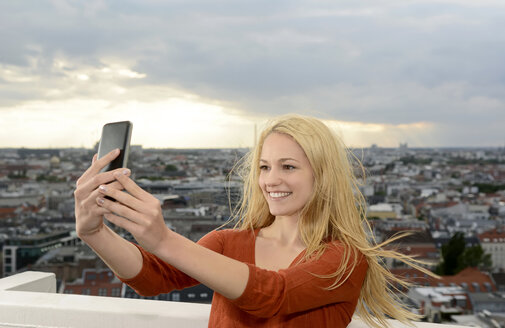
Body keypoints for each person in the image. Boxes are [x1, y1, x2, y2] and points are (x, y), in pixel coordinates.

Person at [74, 114, 431, 327]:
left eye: (288, 167)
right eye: (264, 167)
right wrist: (94, 232)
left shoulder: (344, 260)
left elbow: (273, 295)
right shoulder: (228, 242)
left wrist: (164, 239)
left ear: (323, 176)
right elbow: (154, 278)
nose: (270, 180)